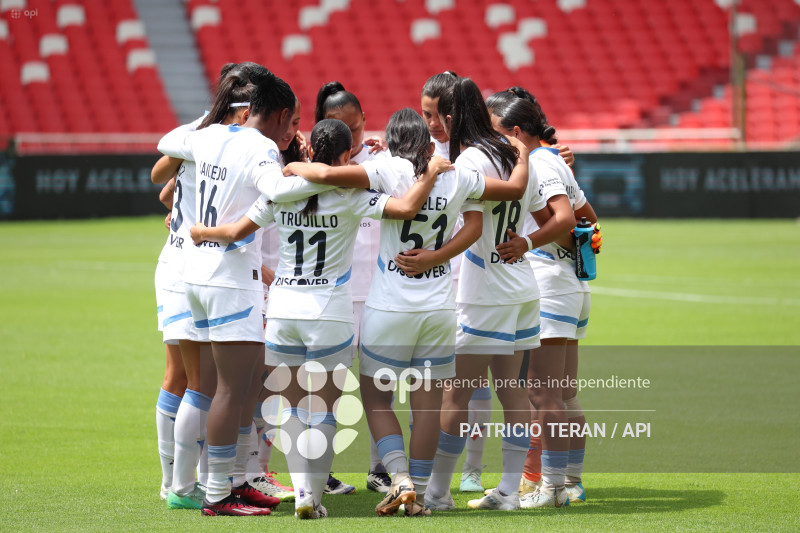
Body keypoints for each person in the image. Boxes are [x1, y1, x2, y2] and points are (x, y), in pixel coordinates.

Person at [191, 117, 449, 518]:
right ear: (347, 156)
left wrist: (202, 233)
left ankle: (302, 497)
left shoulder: (281, 192)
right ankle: (314, 494)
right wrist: (430, 173)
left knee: (291, 410)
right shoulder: (353, 195)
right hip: (330, 313)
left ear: (310, 151)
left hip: (283, 312)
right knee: (324, 411)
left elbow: (236, 231)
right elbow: (407, 207)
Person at [283, 108, 531, 517]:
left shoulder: (387, 168)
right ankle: (421, 489)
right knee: (427, 406)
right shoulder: (455, 174)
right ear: (428, 143)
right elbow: (509, 194)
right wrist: (521, 153)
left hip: (390, 305)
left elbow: (326, 176)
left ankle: (399, 478)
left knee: (376, 398)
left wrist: (294, 162)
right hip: (437, 306)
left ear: (393, 142)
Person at [157, 67, 333, 516]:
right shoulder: (261, 149)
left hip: (196, 274)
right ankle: (217, 493)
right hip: (230, 277)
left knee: (242, 382)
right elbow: (277, 192)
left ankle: (231, 481)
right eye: (290, 123)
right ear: (281, 114)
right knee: (231, 391)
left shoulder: (209, 133)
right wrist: (313, 173)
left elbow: (165, 146)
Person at [425, 78, 575, 512]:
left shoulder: (471, 157)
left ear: (453, 118)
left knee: (456, 392)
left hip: (484, 290)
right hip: (522, 287)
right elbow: (540, 213)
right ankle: (509, 491)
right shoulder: (514, 152)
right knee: (512, 390)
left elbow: (470, 218)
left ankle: (437, 492)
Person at [488, 88, 601, 508]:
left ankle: (550, 487)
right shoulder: (550, 159)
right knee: (564, 392)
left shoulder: (538, 160)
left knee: (543, 393)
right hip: (569, 283)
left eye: (496, 131)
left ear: (516, 131)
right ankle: (569, 481)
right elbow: (588, 217)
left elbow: (568, 217)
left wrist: (528, 243)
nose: (492, 139)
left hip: (551, 286)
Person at [315, 81, 392, 494]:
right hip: (336, 294)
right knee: (327, 388)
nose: (350, 137)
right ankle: (320, 473)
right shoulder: (311, 170)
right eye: (339, 127)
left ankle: (380, 469)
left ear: (365, 122)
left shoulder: (383, 165)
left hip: (379, 291)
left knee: (379, 386)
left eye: (356, 127)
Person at [421, 70, 493, 493]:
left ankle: (472, 468)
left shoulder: (472, 153)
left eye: (437, 113)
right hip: (433, 279)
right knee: (437, 379)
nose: (431, 122)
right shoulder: (424, 153)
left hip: (467, 272)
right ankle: (433, 467)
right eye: (425, 112)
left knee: (470, 380)